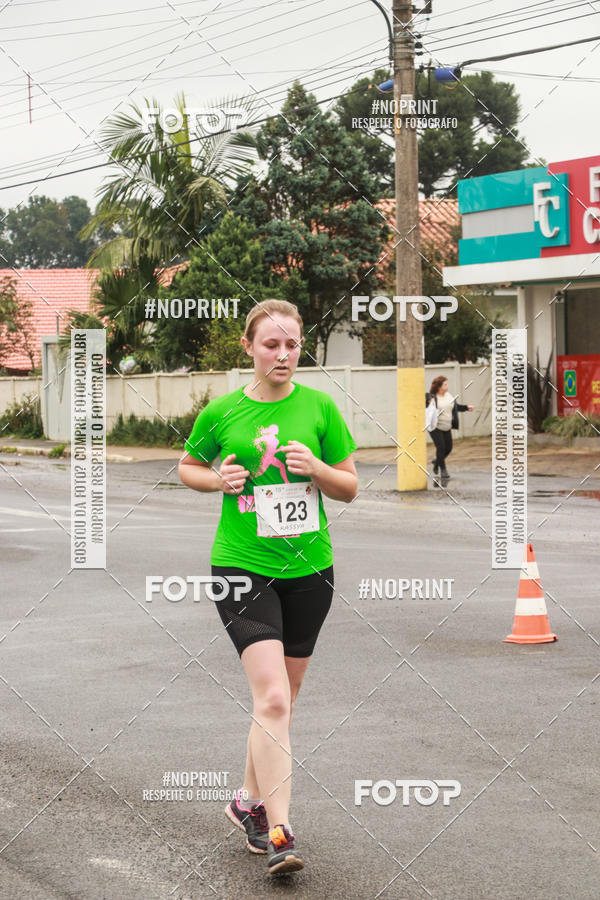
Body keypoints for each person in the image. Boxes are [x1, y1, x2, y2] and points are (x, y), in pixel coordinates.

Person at [178, 299, 358, 875]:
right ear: (249, 347)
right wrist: (217, 479)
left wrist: (318, 470)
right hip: (241, 567)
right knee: (273, 699)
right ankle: (280, 832)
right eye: (271, 344)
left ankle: (244, 802)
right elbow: (188, 466)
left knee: (279, 704)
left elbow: (350, 486)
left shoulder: (321, 407)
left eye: (292, 345)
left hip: (310, 572)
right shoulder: (223, 412)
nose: (283, 355)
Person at [425, 376, 473, 487]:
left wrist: (466, 407)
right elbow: (423, 403)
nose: (447, 386)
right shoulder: (432, 397)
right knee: (441, 447)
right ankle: (443, 470)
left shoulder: (449, 396)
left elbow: (455, 407)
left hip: (447, 426)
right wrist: (428, 401)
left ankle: (437, 462)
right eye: (445, 384)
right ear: (439, 387)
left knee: (449, 448)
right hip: (435, 427)